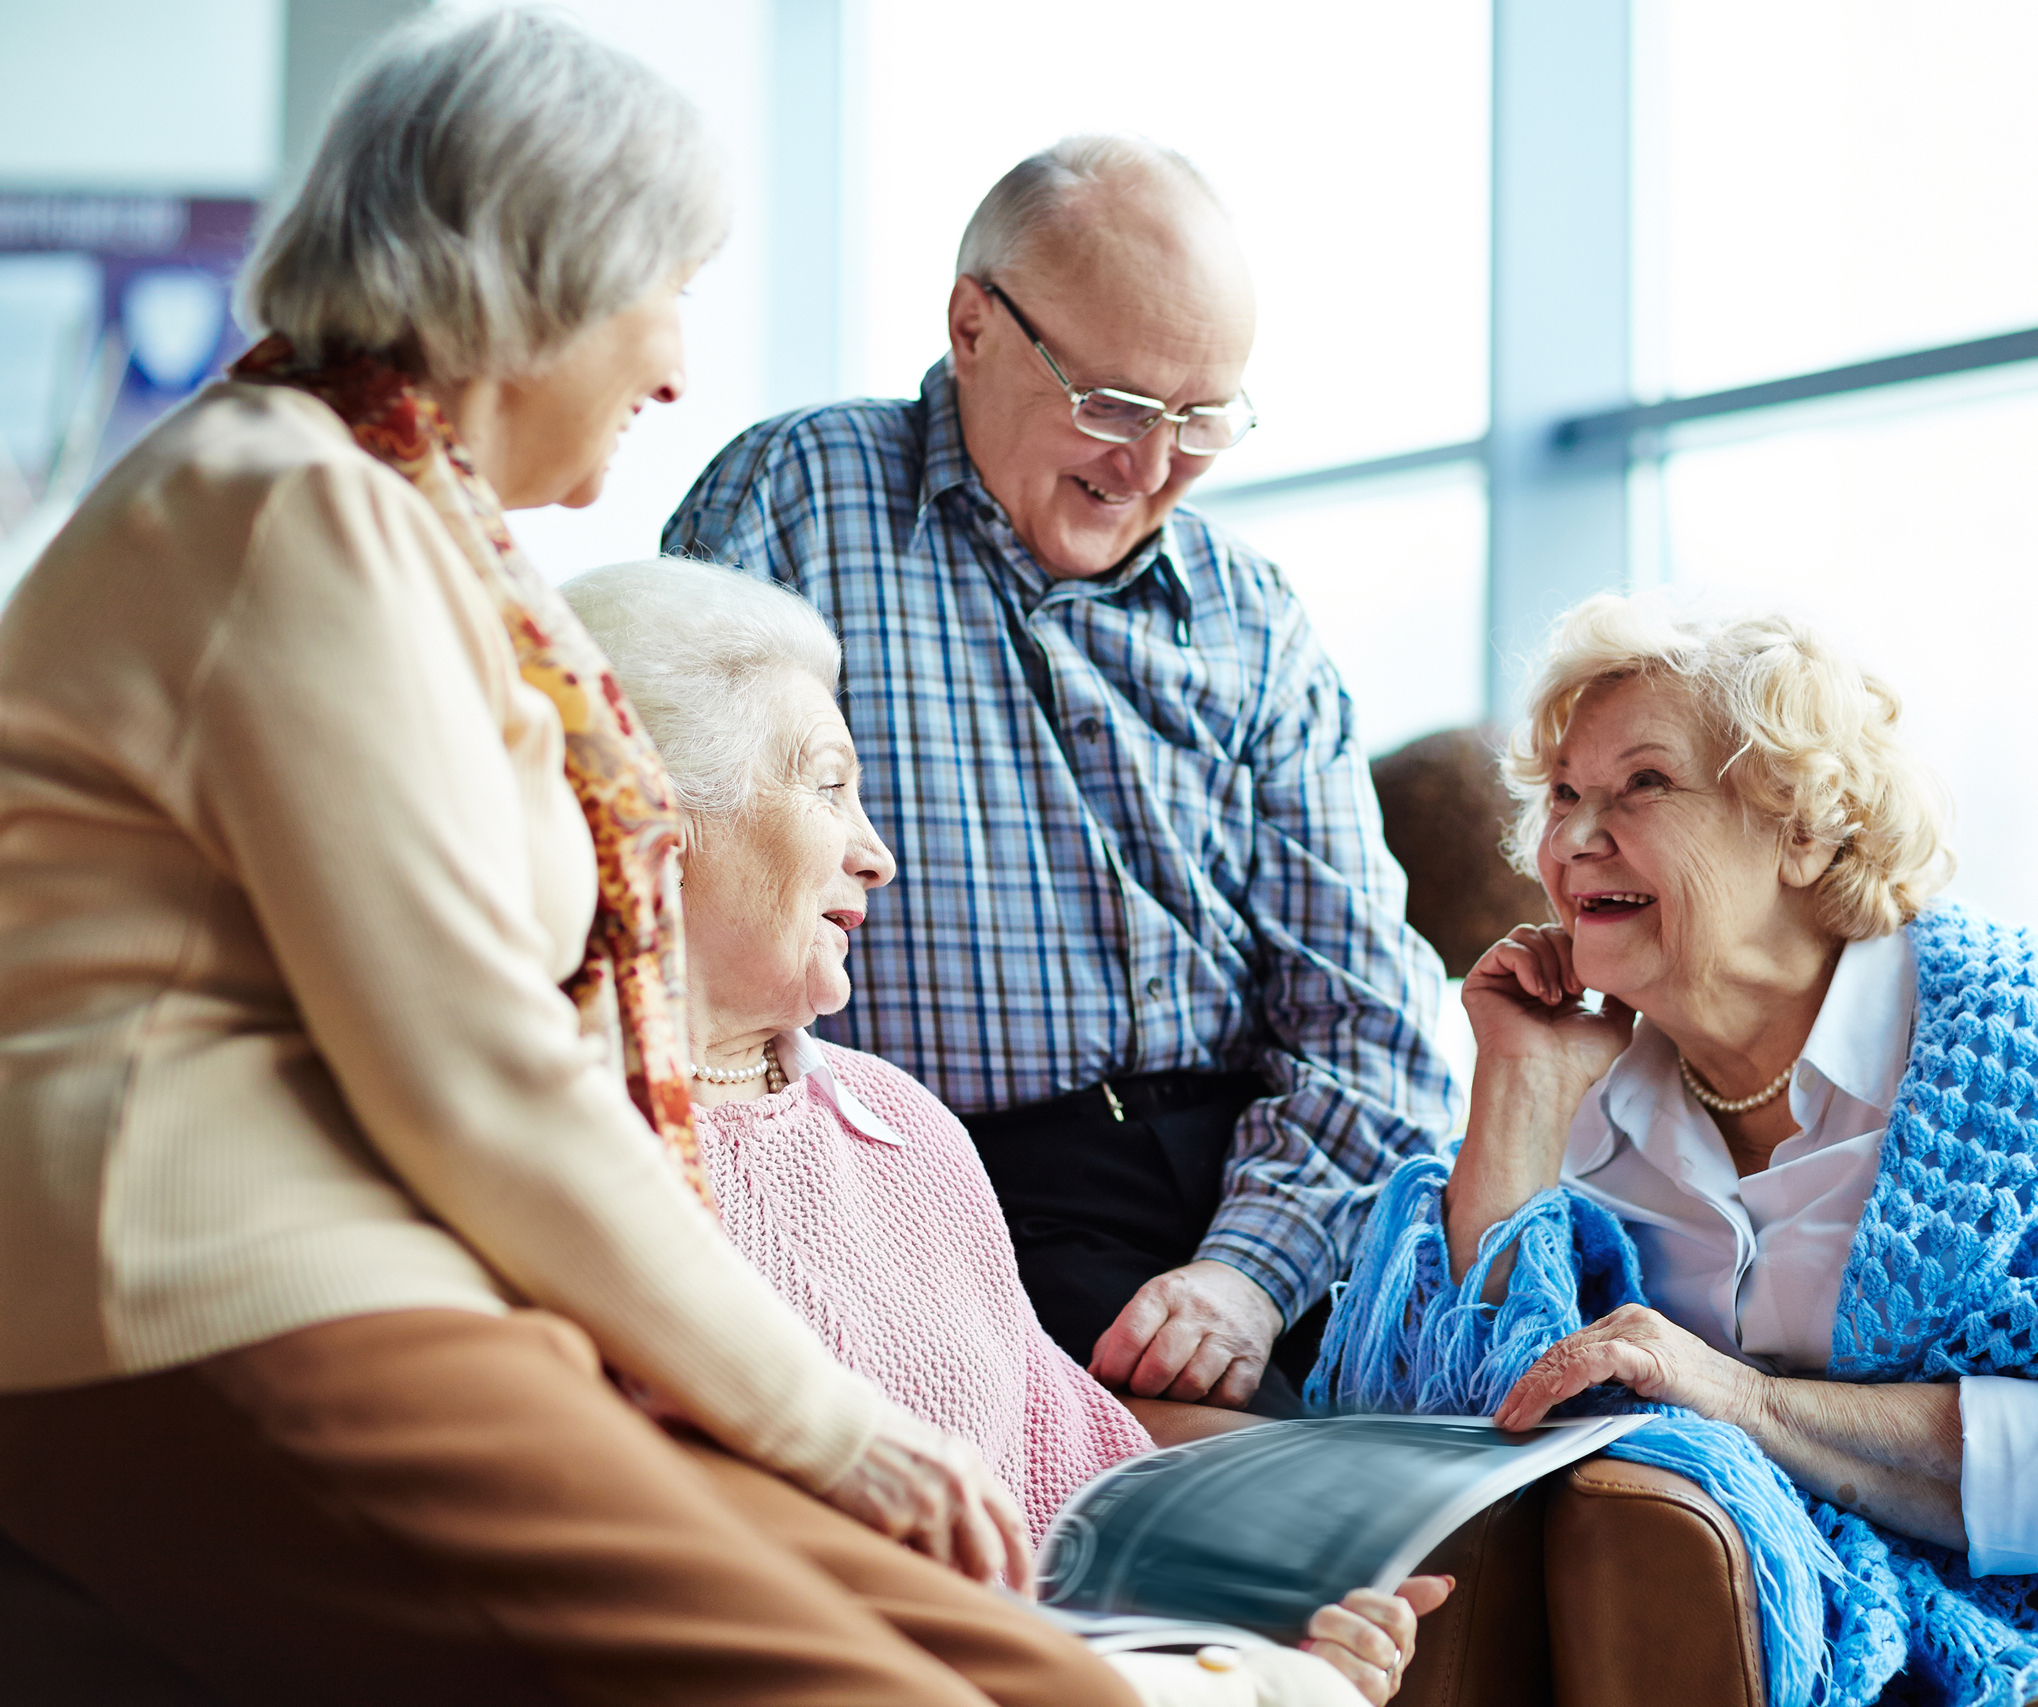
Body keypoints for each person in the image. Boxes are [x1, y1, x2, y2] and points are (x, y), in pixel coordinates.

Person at [0, 15, 1139, 1705]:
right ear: (536, 276)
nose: (676, 363)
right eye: (664, 290)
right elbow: (478, 1076)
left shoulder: (413, 537)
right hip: (208, 1280)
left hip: (384, 1283)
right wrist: (825, 1421)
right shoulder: (282, 508)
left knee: (1050, 1675)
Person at [1314, 596, 2038, 1707]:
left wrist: (1750, 1402)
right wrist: (1517, 1093)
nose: (1576, 838)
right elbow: (1445, 1435)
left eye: (1639, 786)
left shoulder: (2024, 1025)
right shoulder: (1579, 1069)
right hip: (1951, 1592)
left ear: (1800, 827)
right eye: (1561, 796)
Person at [561, 556, 1454, 1706]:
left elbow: (1073, 1477)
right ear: (655, 817)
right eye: (827, 787)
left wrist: (1262, 1625)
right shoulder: (544, 1148)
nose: (877, 853)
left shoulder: (902, 1127)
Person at [662, 135, 1461, 1415]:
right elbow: (679, 870)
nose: (1151, 468)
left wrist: (1247, 1279)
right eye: (1116, 405)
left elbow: (1374, 1020)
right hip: (943, 1181)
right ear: (972, 324)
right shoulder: (802, 493)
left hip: (1262, 1188)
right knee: (1262, 1513)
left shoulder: (1251, 613)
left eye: (1200, 419)